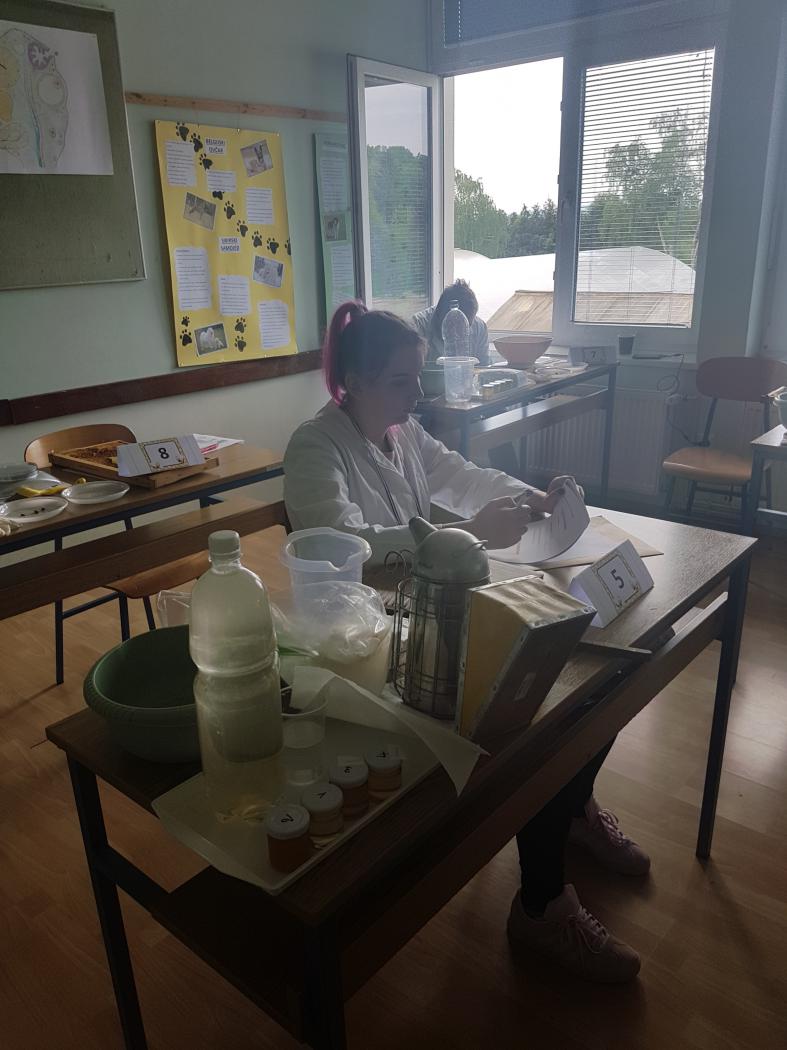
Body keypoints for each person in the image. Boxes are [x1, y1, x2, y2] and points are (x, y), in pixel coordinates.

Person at [284, 302, 650, 983]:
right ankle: (542, 903)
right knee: (540, 712)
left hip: (427, 613)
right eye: (402, 381)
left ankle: (571, 807)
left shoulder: (401, 432)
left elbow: (463, 474)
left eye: (417, 378)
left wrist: (532, 496)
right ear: (355, 381)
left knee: (611, 672)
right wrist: (472, 532)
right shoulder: (315, 448)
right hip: (369, 639)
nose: (416, 394)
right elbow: (347, 546)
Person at [413, 279, 491, 366]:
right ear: (438, 313)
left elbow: (484, 367)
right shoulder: (417, 327)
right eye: (451, 325)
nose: (457, 334)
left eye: (464, 327)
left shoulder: (479, 328)